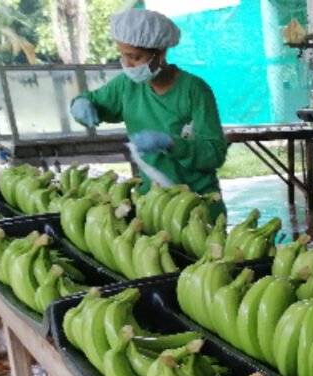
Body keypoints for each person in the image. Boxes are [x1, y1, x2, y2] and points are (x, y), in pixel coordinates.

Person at [70, 9, 228, 222]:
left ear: (160, 53)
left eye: (135, 57)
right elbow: (92, 101)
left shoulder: (194, 91)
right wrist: (80, 104)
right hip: (152, 204)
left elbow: (214, 153)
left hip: (198, 206)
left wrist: (173, 144)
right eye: (123, 56)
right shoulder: (127, 86)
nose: (127, 64)